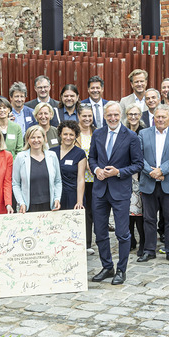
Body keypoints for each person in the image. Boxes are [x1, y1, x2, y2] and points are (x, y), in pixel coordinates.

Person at [89, 102, 143, 285]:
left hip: (120, 190)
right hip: (100, 189)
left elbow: (138, 164)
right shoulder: (98, 133)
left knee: (122, 233)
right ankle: (107, 266)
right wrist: (96, 170)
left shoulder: (131, 136)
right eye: (109, 115)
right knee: (100, 231)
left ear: (121, 115)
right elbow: (92, 158)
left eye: (115, 115)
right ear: (104, 116)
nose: (112, 118)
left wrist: (118, 172)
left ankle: (121, 270)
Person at [137, 105, 169, 265]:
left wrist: (161, 170)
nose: (160, 119)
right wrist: (150, 172)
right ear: (153, 118)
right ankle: (149, 250)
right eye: (157, 117)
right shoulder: (143, 134)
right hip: (149, 182)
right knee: (149, 219)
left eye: (163, 117)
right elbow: (138, 156)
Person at [13, 126, 62, 213]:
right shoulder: (20, 157)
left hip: (50, 206)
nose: (36, 140)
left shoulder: (52, 156)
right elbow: (16, 184)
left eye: (39, 137)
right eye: (32, 137)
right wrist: (21, 202)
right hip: (28, 207)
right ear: (28, 139)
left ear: (44, 138)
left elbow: (58, 181)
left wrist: (57, 198)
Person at [124, 104, 147, 253]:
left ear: (140, 116)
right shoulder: (123, 132)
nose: (133, 117)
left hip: (140, 176)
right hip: (125, 176)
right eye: (130, 114)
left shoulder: (144, 132)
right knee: (127, 212)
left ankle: (143, 243)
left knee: (139, 212)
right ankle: (131, 240)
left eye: (136, 114)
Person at [50, 121, 87, 210]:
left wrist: (79, 201)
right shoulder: (51, 152)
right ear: (60, 134)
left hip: (72, 195)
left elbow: (81, 179)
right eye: (65, 134)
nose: (68, 137)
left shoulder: (80, 154)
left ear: (76, 136)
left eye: (71, 135)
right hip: (55, 195)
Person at [77, 105, 96, 253]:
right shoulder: (73, 132)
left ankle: (88, 243)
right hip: (78, 177)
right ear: (78, 116)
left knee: (91, 210)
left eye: (90, 116)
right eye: (84, 116)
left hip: (94, 179)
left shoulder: (97, 132)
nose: (87, 119)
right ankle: (78, 241)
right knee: (79, 209)